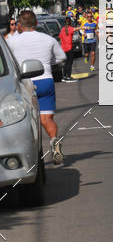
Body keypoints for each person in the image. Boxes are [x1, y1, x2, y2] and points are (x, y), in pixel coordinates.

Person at [6, 10, 67, 164]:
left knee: (24, 121)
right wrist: (47, 62)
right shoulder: (48, 39)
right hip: (45, 80)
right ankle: (54, 140)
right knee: (46, 119)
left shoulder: (12, 41)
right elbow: (62, 57)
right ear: (37, 23)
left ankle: (29, 155)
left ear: (19, 25)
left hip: (24, 83)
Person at [59, 17, 76, 82]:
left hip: (63, 48)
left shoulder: (63, 29)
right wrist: (84, 28)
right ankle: (68, 76)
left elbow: (60, 38)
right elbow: (76, 29)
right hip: (69, 48)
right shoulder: (70, 29)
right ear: (70, 22)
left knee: (65, 63)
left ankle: (64, 76)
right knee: (69, 63)